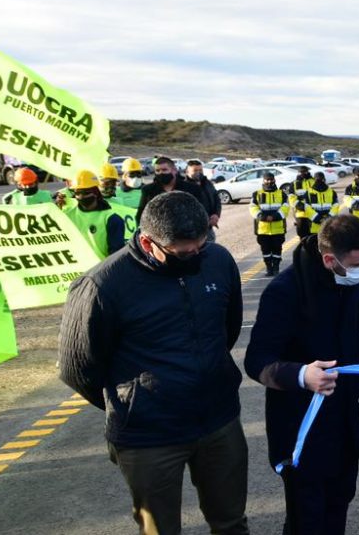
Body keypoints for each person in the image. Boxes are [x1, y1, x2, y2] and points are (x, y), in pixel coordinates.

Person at [59, 191, 248, 535]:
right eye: (183, 253)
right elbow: (78, 369)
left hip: (218, 420)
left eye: (200, 247)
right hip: (149, 436)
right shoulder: (102, 286)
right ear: (148, 242)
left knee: (231, 523)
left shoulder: (218, 261)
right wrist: (136, 401)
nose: (195, 257)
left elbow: (227, 329)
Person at [245, 215, 359, 535]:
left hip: (343, 421)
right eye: (358, 264)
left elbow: (353, 331)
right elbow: (256, 360)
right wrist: (302, 375)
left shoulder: (346, 281)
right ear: (329, 259)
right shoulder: (284, 291)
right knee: (307, 517)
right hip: (301, 428)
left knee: (339, 503)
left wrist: (355, 381)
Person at [61, 170, 127, 258]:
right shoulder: (66, 216)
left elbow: (116, 257)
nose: (81, 196)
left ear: (95, 192)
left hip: (101, 270)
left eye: (86, 193)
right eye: (77, 193)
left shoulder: (112, 219)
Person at [136, 157, 208, 223]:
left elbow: (201, 213)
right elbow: (141, 214)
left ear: (174, 170)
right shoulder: (148, 190)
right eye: (157, 170)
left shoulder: (192, 189)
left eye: (164, 170)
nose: (161, 173)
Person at [250, 172, 291, 276]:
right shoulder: (256, 194)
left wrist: (275, 217)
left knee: (277, 249)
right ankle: (269, 268)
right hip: (263, 229)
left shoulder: (281, 194)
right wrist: (262, 217)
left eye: (271, 179)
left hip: (278, 228)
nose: (269, 181)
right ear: (263, 181)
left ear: (274, 180)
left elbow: (286, 207)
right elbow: (252, 208)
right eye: (267, 180)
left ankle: (276, 267)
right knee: (265, 250)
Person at [183, 160, 222, 242]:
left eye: (200, 170)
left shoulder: (207, 183)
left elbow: (216, 199)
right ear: (187, 172)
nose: (198, 172)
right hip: (193, 231)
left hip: (209, 228)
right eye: (195, 170)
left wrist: (216, 214)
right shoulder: (183, 187)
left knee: (210, 250)